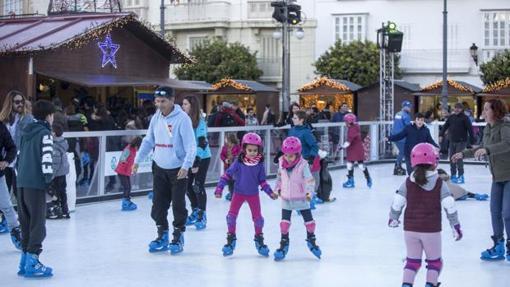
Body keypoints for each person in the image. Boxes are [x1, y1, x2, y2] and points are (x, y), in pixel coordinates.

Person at [133, 86, 196, 255]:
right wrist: (137, 160)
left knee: (178, 204)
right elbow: (148, 141)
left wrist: (186, 165)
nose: (159, 105)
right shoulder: (156, 118)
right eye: (157, 101)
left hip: (178, 170)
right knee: (158, 205)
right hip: (159, 167)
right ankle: (162, 234)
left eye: (163, 101)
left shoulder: (182, 119)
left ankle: (178, 235)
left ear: (172, 100)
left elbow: (191, 145)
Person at [389, 143, 462, 287]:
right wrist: (456, 226)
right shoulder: (439, 183)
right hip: (431, 231)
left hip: (410, 230)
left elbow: (398, 201)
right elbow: (450, 205)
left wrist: (393, 218)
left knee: (412, 262)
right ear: (434, 162)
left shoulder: (408, 181)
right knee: (435, 262)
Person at [452, 99, 510, 262]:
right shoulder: (488, 129)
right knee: (494, 212)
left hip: (509, 175)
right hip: (497, 176)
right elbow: (481, 147)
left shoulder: (505, 126)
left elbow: (507, 144)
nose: (483, 113)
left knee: (507, 213)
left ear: (495, 111)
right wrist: (464, 154)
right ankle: (498, 245)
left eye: (486, 109)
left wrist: (488, 149)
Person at [215, 132, 278, 257]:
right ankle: (231, 240)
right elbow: (227, 174)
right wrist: (219, 188)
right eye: (250, 150)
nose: (252, 152)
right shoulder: (238, 162)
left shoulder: (259, 165)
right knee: (231, 217)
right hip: (238, 194)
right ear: (244, 149)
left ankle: (259, 240)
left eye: (255, 150)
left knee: (258, 219)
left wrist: (270, 192)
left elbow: (262, 181)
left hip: (253, 194)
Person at [16, 100, 56, 278]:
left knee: (26, 223)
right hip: (36, 184)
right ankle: (33, 262)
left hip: (21, 183)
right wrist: (49, 181)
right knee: (38, 224)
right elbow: (47, 159)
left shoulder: (26, 133)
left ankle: (24, 261)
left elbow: (19, 158)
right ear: (49, 116)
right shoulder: (45, 133)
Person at [273, 136, 321, 261]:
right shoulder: (281, 162)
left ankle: (311, 240)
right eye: (286, 155)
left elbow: (309, 180)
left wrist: (309, 193)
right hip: (286, 198)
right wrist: (277, 189)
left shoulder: (303, 164)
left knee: (309, 223)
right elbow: (279, 177)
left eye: (291, 156)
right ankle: (283, 244)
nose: (288, 158)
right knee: (284, 224)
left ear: (298, 154)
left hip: (301, 198)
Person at [182, 95, 211, 230]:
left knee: (198, 185)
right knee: (187, 186)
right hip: (189, 157)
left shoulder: (200, 121)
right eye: (183, 104)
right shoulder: (184, 120)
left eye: (186, 104)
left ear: (192, 106)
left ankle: (202, 214)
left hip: (202, 157)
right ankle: (195, 210)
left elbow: (202, 142)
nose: (183, 107)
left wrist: (197, 161)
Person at [0, 90, 34, 200]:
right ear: (10, 103)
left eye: (22, 101)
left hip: (19, 160)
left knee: (19, 192)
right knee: (4, 192)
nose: (20, 104)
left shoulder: (26, 118)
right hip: (5, 160)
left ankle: (23, 216)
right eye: (17, 102)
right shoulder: (3, 120)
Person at [439, 103, 474, 184]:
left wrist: (472, 140)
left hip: (461, 141)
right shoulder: (451, 117)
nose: (456, 109)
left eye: (458, 108)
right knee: (452, 158)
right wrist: (441, 134)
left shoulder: (465, 118)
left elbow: (470, 129)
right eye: (455, 108)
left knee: (458, 158)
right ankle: (453, 175)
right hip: (452, 141)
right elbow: (445, 126)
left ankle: (461, 176)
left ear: (462, 109)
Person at [288, 110, 320, 200]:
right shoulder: (291, 130)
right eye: (293, 117)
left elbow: (314, 146)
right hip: (293, 161)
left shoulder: (306, 132)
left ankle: (310, 200)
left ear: (301, 120)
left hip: (304, 160)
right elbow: (288, 144)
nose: (292, 119)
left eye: (295, 118)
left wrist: (311, 158)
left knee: (306, 182)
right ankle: (299, 200)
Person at [0, 119, 21, 249]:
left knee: (7, 206)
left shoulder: (1, 127)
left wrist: (6, 161)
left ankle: (16, 232)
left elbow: (12, 147)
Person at [341, 113, 373, 188]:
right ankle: (351, 180)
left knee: (360, 165)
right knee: (350, 164)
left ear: (349, 121)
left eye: (345, 121)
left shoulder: (352, 129)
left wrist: (341, 147)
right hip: (353, 149)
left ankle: (368, 178)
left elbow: (349, 142)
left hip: (356, 149)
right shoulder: (354, 126)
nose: (345, 123)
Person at [47, 123, 70, 219]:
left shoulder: (55, 145)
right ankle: (65, 210)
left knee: (56, 192)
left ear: (54, 133)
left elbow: (55, 163)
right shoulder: (63, 142)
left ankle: (58, 211)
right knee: (62, 191)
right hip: (63, 172)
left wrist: (51, 175)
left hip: (57, 174)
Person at [115, 137, 142, 211]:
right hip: (122, 171)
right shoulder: (128, 149)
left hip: (125, 172)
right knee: (127, 187)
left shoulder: (133, 150)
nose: (138, 149)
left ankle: (127, 200)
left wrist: (132, 168)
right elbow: (122, 158)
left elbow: (132, 160)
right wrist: (124, 161)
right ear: (136, 145)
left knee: (128, 187)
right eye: (139, 147)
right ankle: (125, 203)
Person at [391, 100, 413, 176]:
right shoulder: (406, 116)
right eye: (409, 107)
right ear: (405, 107)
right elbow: (408, 127)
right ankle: (398, 166)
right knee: (402, 152)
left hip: (395, 135)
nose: (410, 109)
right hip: (401, 137)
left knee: (401, 151)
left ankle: (397, 165)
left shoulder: (397, 114)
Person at [220, 133, 241, 201]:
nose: (226, 141)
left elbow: (240, 154)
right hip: (227, 167)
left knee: (236, 181)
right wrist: (225, 159)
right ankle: (232, 194)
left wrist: (234, 157)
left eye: (227, 140)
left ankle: (237, 194)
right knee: (230, 181)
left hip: (235, 168)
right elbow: (222, 155)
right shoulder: (225, 147)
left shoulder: (237, 146)